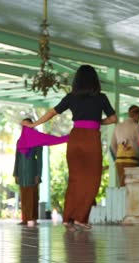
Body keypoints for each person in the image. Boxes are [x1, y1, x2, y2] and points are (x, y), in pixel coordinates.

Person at [22, 65, 117, 231]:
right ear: (94, 80)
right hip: (90, 139)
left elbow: (52, 112)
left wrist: (35, 124)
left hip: (75, 138)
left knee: (75, 180)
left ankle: (68, 219)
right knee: (92, 180)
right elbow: (113, 118)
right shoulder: (101, 97)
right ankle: (80, 218)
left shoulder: (71, 97)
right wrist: (96, 122)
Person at [13, 118, 43, 226]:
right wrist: (16, 174)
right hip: (21, 173)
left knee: (33, 196)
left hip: (32, 172)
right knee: (24, 196)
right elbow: (17, 158)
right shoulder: (19, 141)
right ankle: (25, 219)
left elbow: (39, 159)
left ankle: (33, 218)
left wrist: (38, 174)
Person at [111, 105, 139, 186]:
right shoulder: (136, 126)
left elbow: (112, 145)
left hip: (119, 161)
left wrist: (117, 156)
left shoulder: (118, 126)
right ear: (137, 115)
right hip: (132, 160)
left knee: (123, 184)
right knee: (133, 185)